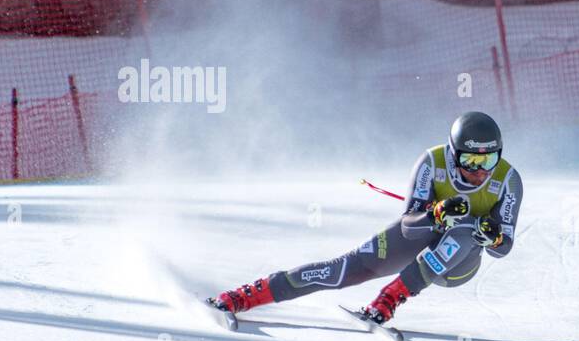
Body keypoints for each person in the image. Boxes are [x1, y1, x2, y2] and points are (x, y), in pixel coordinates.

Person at [208, 111, 522, 324]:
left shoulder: (508, 180)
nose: (479, 170)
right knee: (343, 269)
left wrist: (491, 236)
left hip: (456, 267)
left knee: (465, 230)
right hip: (421, 240)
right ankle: (244, 296)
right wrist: (436, 213)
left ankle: (388, 299)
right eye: (469, 159)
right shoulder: (432, 162)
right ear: (454, 155)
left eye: (489, 159)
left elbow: (503, 247)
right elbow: (410, 227)